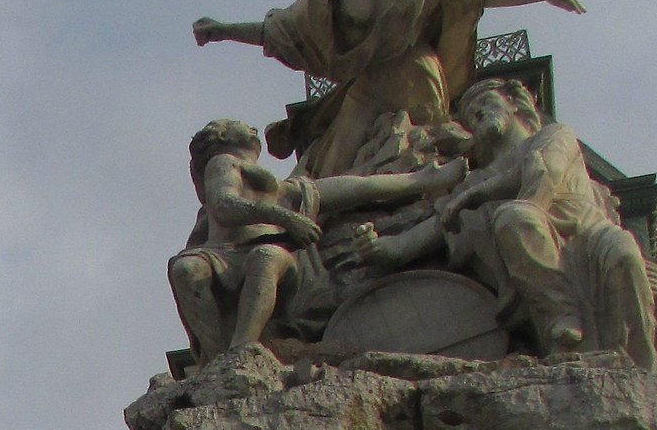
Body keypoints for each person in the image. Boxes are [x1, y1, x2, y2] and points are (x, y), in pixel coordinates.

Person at [195, 0, 582, 177]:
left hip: (418, 76)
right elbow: (284, 30)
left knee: (439, 164)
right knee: (330, 168)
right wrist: (223, 31)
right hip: (368, 85)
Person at [368, 76, 657, 368]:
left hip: (586, 232)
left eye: (486, 102)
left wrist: (474, 196)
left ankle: (644, 364)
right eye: (471, 116)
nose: (479, 113)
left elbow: (541, 172)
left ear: (514, 103)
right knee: (515, 217)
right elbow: (438, 226)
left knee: (623, 252)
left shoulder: (554, 135)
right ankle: (560, 313)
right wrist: (388, 247)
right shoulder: (476, 181)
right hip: (535, 238)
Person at [170, 117, 463, 361]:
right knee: (187, 268)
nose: (253, 129)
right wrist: (288, 218)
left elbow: (362, 187)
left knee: (266, 257)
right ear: (221, 137)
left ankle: (240, 352)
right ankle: (218, 358)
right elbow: (224, 206)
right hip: (224, 254)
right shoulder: (223, 162)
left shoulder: (289, 192)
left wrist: (423, 180)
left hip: (279, 265)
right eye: (239, 125)